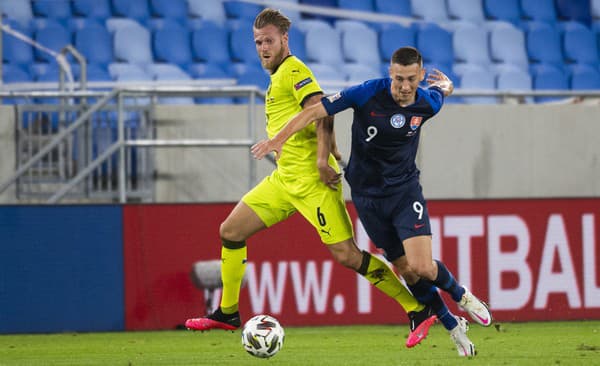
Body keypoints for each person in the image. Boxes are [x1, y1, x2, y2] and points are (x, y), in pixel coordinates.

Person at [184, 9, 437, 348]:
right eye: (258, 42)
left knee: (348, 255)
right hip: (283, 181)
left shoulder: (295, 70)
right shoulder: (276, 76)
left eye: (269, 41)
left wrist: (323, 159)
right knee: (230, 231)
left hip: (312, 185)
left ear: (284, 40)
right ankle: (228, 312)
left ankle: (415, 309)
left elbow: (322, 111)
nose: (263, 48)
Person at [251, 46, 493, 357]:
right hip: (367, 197)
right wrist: (277, 139)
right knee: (406, 271)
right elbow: (315, 111)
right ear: (389, 74)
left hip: (404, 192)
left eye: (410, 80)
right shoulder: (367, 93)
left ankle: (463, 296)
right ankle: (451, 325)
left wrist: (447, 85)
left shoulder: (427, 103)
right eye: (398, 79)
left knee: (421, 265)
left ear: (420, 77)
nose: (404, 87)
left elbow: (441, 91)